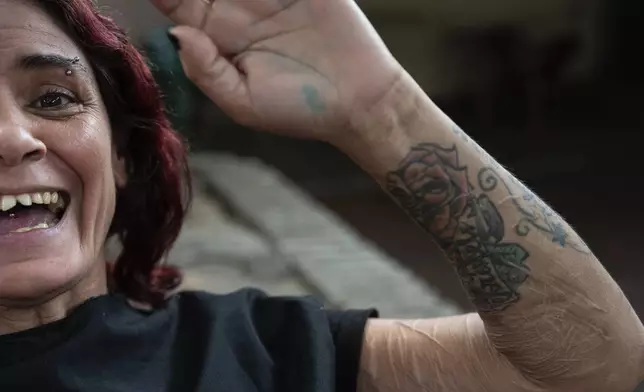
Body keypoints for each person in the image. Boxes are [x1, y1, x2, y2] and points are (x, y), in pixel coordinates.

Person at [0, 0, 641, 390]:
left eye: (54, 98)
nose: (11, 138)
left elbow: (588, 370)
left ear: (120, 155)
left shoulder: (255, 353)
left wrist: (382, 109)